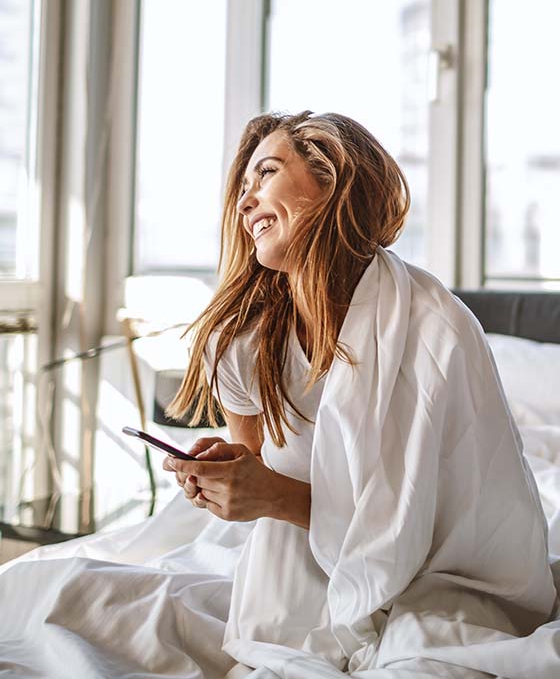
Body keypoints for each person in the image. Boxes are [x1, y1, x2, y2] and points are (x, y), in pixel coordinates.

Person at [1, 110, 559, 679]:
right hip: (290, 556)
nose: (244, 204)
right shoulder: (240, 339)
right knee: (51, 592)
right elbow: (258, 471)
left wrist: (271, 496)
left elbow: (417, 529)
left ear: (333, 179)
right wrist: (228, 479)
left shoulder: (434, 327)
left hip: (435, 572)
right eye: (241, 190)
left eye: (264, 174)